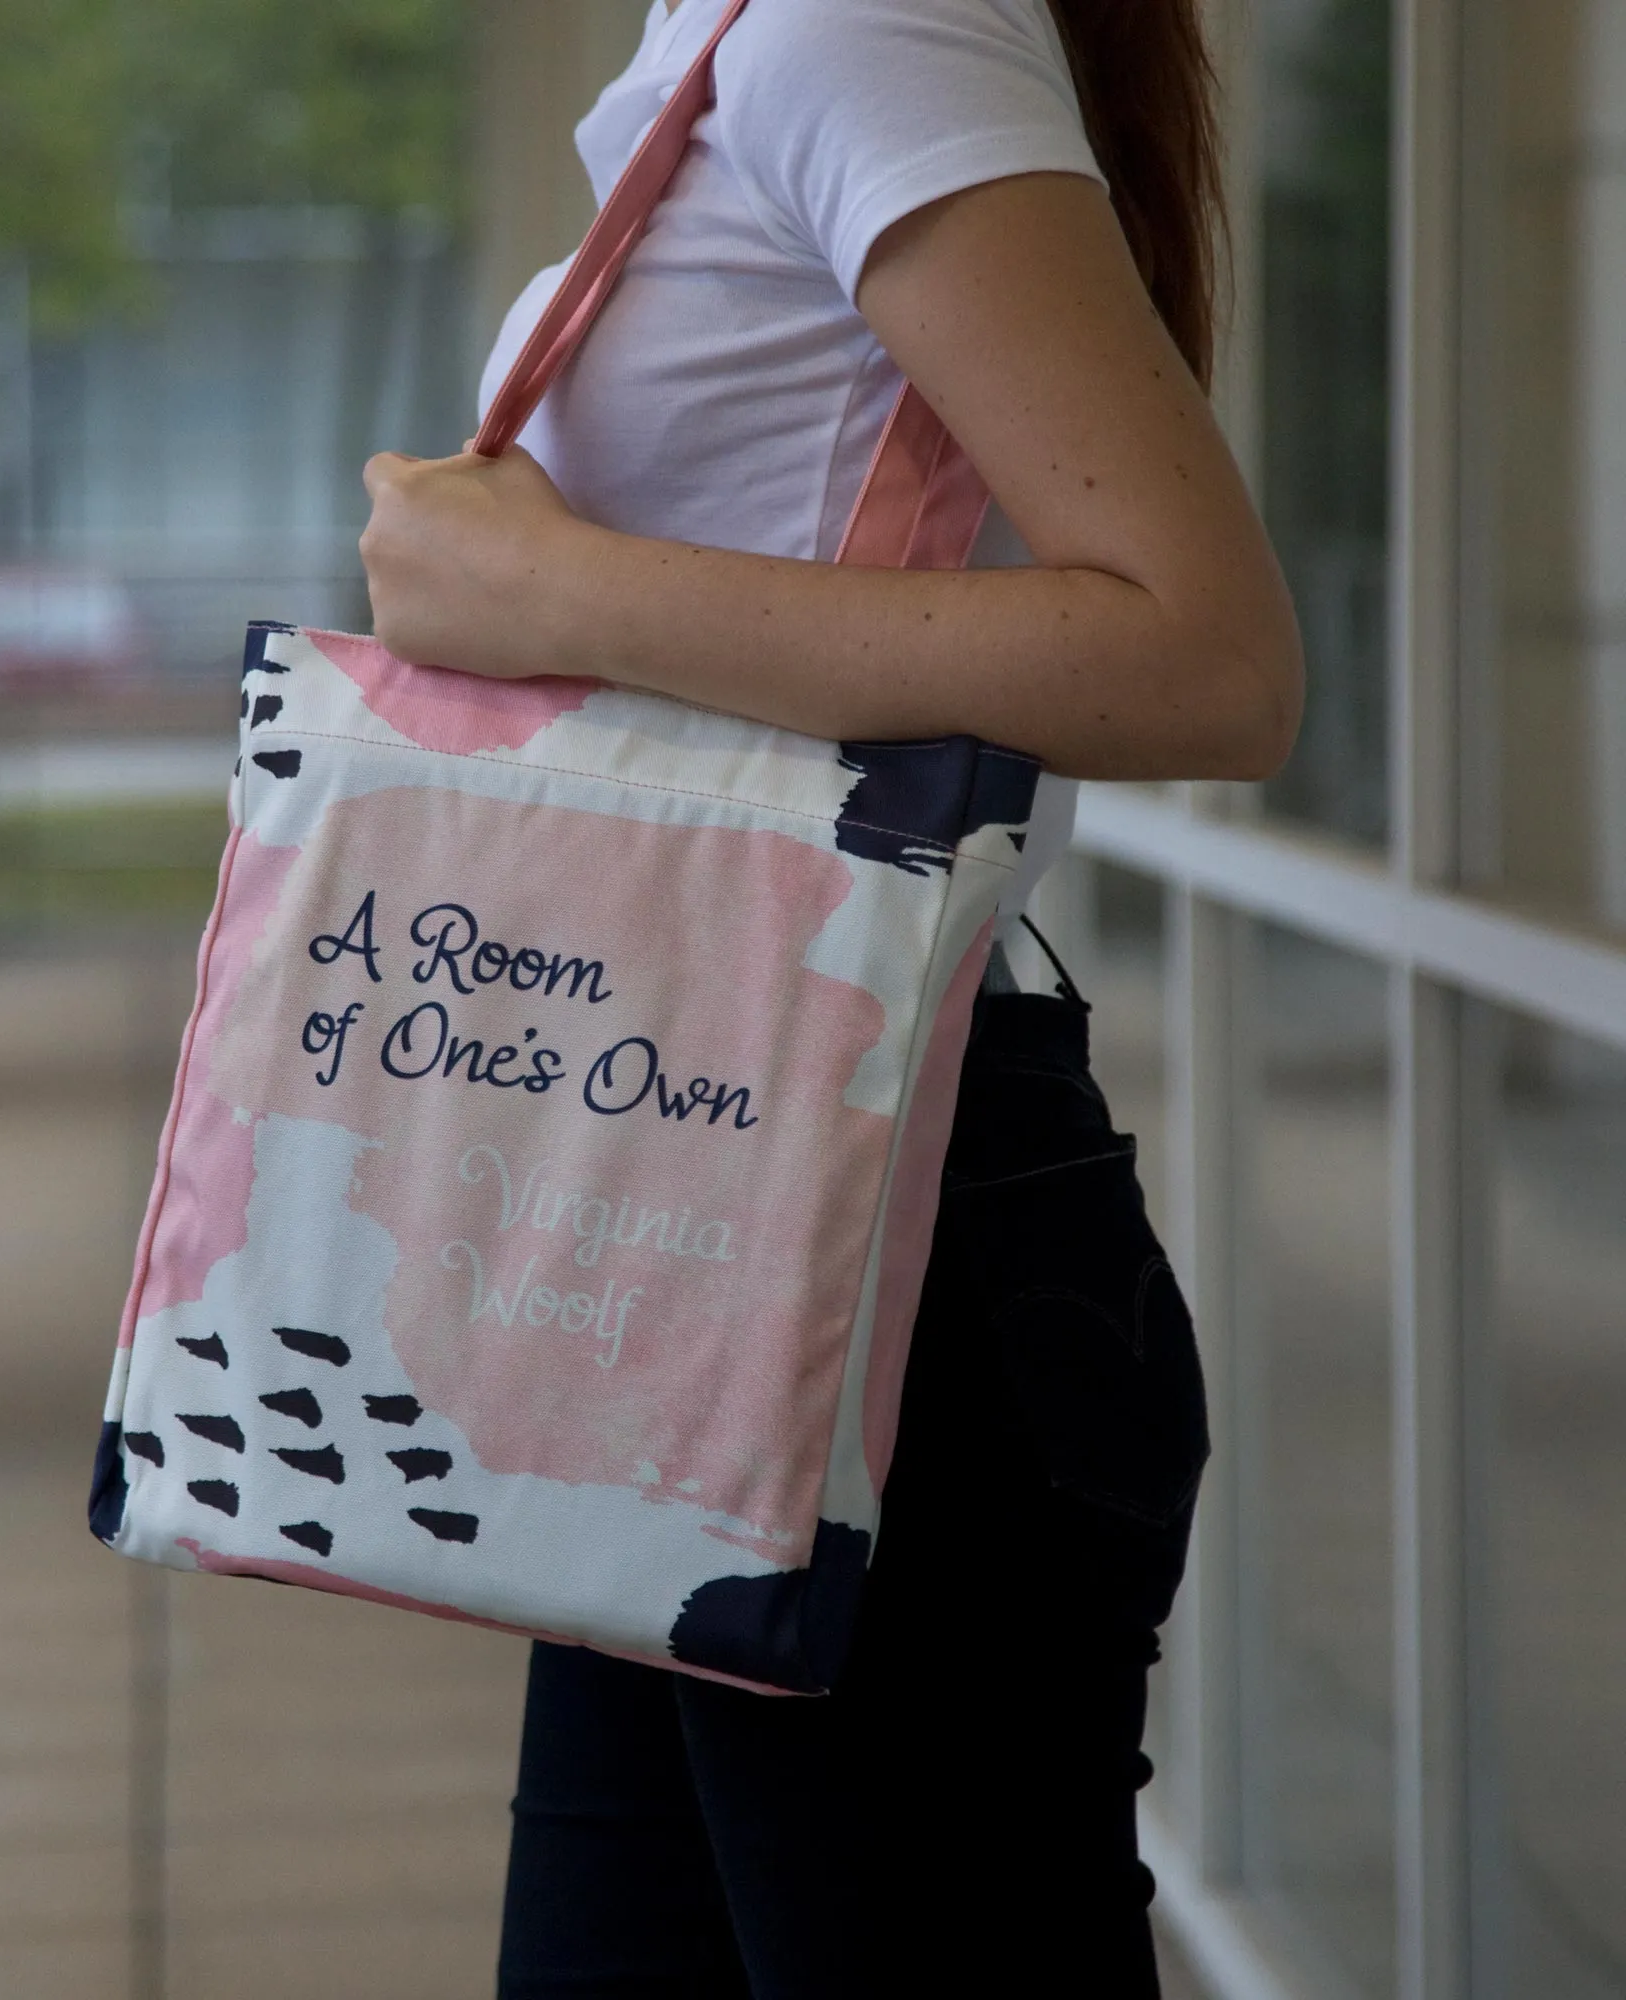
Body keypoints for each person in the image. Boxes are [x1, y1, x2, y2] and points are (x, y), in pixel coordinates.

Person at [359, 0, 1303, 1991]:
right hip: (697, 1214)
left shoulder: (856, 17)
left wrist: (542, 592)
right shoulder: (744, 30)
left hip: (867, 1252)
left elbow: (1206, 654)